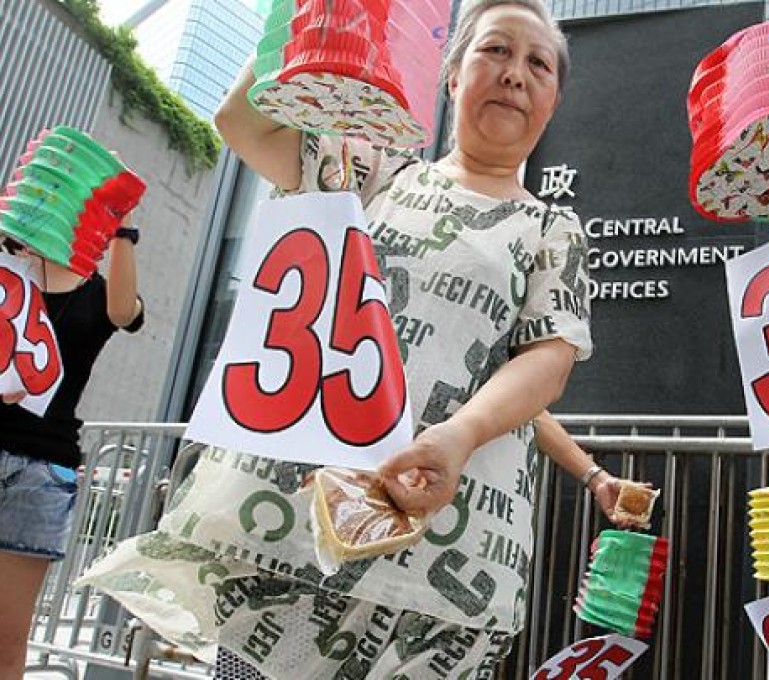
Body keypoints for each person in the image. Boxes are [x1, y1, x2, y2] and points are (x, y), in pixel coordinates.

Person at [79, 2, 592, 678]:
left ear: (553, 100)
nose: (515, 75)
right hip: (291, 525)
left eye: (538, 64)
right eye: (494, 50)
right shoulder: (372, 171)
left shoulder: (553, 229)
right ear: (452, 77)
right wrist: (313, 14)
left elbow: (548, 361)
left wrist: (458, 436)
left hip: (444, 550)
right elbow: (244, 120)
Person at [0, 218, 143, 679]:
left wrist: (123, 228)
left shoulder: (98, 291)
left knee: (7, 635)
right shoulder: (6, 272)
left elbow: (125, 313)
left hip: (42, 471)